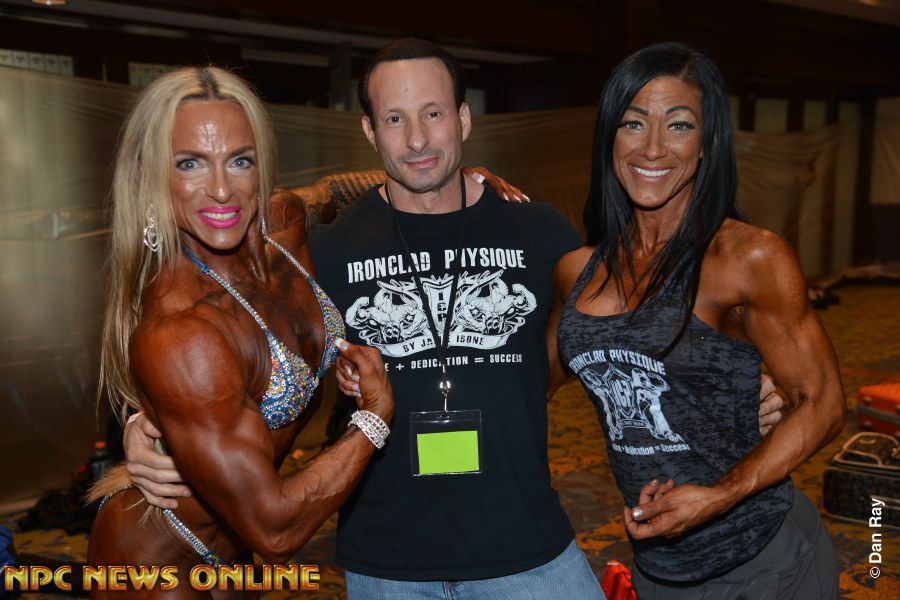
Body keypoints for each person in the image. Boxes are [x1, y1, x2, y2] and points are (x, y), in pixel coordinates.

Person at [123, 39, 783, 599]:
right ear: (370, 131)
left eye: (433, 114)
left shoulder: (541, 233)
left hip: (529, 550)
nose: (417, 139)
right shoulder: (322, 250)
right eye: (395, 119)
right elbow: (234, 339)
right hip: (385, 564)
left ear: (464, 119)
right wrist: (145, 421)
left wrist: (742, 387)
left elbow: (632, 325)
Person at [553, 42, 845, 598]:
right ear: (610, 135)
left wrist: (721, 495)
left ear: (708, 141)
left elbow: (825, 403)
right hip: (659, 566)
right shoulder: (577, 272)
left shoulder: (747, 257)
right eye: (633, 123)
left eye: (679, 125)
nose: (653, 147)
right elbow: (521, 382)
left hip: (763, 561)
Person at [86, 66, 394, 588]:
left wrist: (458, 178)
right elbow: (276, 529)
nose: (222, 190)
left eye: (240, 160)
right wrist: (374, 415)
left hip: (235, 550)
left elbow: (338, 189)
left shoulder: (281, 221)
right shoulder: (180, 332)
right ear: (148, 172)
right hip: (157, 557)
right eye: (189, 163)